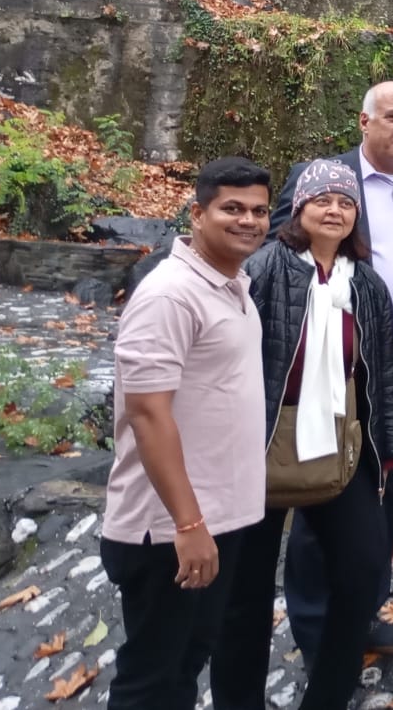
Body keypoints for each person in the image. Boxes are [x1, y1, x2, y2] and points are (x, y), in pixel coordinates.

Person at [268, 80, 393, 659]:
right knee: (322, 490)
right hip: (336, 367)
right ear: (364, 121)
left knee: (390, 491)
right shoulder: (326, 182)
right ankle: (314, 627)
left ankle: (364, 612)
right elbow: (278, 259)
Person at [211, 161, 393, 710]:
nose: (334, 210)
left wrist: (389, 449)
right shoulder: (262, 270)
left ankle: (328, 695)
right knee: (246, 592)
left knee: (361, 570)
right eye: (322, 200)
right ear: (298, 209)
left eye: (345, 203)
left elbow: (381, 375)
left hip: (339, 442)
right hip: (261, 442)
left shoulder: (366, 284)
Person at [100, 158, 272, 710]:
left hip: (219, 518)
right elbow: (148, 414)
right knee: (152, 680)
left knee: (185, 665)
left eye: (259, 211)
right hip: (169, 528)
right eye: (232, 208)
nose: (248, 221)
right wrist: (189, 523)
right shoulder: (169, 295)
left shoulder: (232, 285)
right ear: (197, 214)